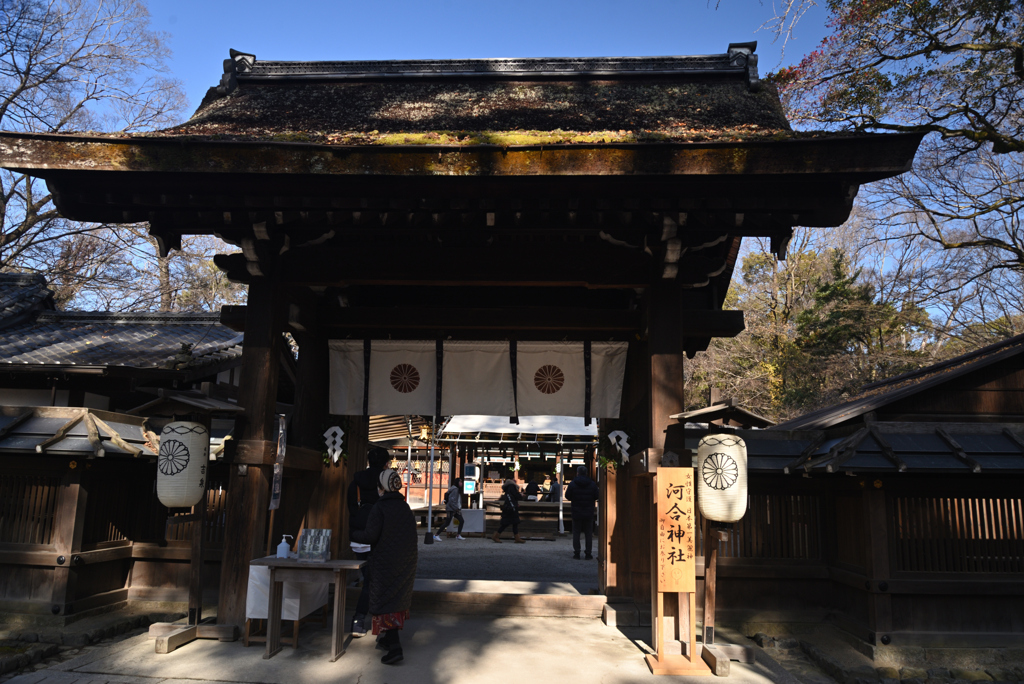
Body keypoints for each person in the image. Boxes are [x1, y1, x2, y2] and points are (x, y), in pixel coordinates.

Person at [350, 469, 418, 665]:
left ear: (382, 488)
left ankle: (395, 647)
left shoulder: (379, 508)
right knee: (396, 599)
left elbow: (371, 536)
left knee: (385, 599)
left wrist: (353, 534)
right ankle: (388, 639)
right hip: (407, 561)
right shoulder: (405, 507)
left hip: (385, 562)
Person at [346, 446, 390, 637]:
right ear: (386, 463)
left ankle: (365, 620)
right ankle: (364, 619)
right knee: (376, 580)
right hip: (381, 538)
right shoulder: (386, 482)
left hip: (359, 537)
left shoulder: (356, 482)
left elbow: (351, 509)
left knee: (369, 578)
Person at [565, 465, 599, 560]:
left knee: (576, 533)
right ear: (586, 473)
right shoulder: (592, 484)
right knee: (588, 533)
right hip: (588, 511)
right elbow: (597, 496)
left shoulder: (573, 483)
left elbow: (567, 496)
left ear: (577, 473)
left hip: (576, 510)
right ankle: (588, 553)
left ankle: (577, 553)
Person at [492, 478, 525, 544]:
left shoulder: (508, 488)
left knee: (513, 523)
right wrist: (520, 495)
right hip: (511, 508)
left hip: (510, 507)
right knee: (507, 523)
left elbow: (511, 497)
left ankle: (516, 537)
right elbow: (515, 496)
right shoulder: (511, 486)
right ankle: (496, 536)